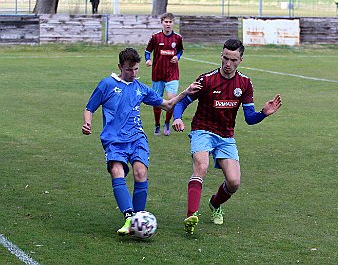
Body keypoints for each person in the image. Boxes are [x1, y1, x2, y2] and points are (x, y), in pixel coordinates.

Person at [82, 47, 200, 236]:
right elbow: (89, 108)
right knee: (116, 171)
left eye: (136, 69)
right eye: (129, 69)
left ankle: (136, 218)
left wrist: (186, 91)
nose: (133, 73)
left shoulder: (141, 88)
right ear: (120, 66)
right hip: (113, 140)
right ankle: (129, 217)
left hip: (137, 138)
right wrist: (87, 123)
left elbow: (167, 105)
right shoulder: (106, 84)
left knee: (140, 172)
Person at [172, 39, 282, 235]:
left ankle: (215, 204)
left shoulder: (245, 84)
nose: (228, 63)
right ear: (221, 56)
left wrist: (264, 113)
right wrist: (178, 118)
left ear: (240, 60)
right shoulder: (206, 80)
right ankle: (191, 215)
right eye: (225, 58)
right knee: (201, 166)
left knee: (234, 182)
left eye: (233, 59)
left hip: (225, 136)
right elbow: (181, 102)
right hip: (202, 130)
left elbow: (249, 118)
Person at [145, 12, 184, 136]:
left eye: (170, 22)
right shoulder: (155, 37)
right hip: (158, 73)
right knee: (157, 100)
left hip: (172, 73)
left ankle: (167, 122)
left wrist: (177, 57)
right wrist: (148, 59)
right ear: (162, 23)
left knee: (171, 99)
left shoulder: (178, 38)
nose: (168, 24)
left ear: (173, 23)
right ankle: (157, 124)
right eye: (166, 22)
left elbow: (180, 50)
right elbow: (147, 51)